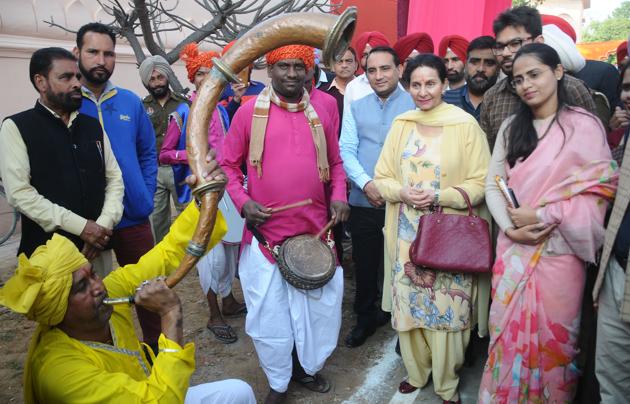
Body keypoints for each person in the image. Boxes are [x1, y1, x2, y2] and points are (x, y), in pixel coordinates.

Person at [0, 155, 256, 404]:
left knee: (239, 392)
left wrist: (205, 203)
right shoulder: (59, 372)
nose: (99, 287)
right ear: (58, 312)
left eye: (93, 274)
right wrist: (170, 316)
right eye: (82, 287)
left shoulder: (110, 294)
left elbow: (164, 256)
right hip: (159, 397)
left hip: (155, 390)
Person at [479, 43, 618, 403]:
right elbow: (493, 185)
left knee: (556, 345)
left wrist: (542, 215)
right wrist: (510, 229)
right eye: (518, 79)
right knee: (506, 337)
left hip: (561, 256)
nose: (526, 85)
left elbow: (599, 196)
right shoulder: (511, 127)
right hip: (514, 252)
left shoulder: (583, 127)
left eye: (535, 74)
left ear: (558, 72)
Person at [221, 44, 349, 403]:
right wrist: (244, 203)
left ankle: (305, 368)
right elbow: (229, 166)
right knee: (270, 318)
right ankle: (278, 382)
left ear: (310, 71)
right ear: (269, 70)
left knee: (316, 312)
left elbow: (336, 162)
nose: (291, 74)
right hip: (265, 238)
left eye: (299, 66)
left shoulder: (325, 107)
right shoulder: (247, 113)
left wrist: (338, 194)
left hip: (315, 233)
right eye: (283, 67)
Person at [373, 53, 491, 404]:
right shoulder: (402, 124)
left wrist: (442, 196)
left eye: (431, 84)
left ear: (444, 84)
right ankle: (416, 372)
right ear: (407, 86)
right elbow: (382, 177)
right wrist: (402, 192)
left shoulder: (464, 125)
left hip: (448, 237)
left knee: (448, 310)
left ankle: (446, 382)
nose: (423, 92)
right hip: (406, 233)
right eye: (416, 84)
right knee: (410, 307)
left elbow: (482, 182)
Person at [0, 47, 124, 277]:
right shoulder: (17, 127)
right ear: (41, 82)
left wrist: (101, 228)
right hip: (48, 256)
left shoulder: (91, 125)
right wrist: (83, 228)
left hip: (98, 251)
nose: (76, 83)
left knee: (104, 310)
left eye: (77, 76)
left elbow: (114, 178)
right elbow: (19, 194)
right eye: (65, 77)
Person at [74, 22, 160, 351]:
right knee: (93, 300)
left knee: (148, 290)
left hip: (134, 217)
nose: (101, 60)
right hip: (88, 224)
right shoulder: (67, 101)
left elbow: (147, 152)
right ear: (77, 53)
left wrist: (145, 192)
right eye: (93, 51)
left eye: (108, 53)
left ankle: (154, 351)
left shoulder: (129, 102)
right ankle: (109, 357)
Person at [160, 42, 246, 345]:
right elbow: (166, 153)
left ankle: (229, 301)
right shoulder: (183, 111)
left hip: (228, 187)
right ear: (193, 78)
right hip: (203, 192)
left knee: (232, 251)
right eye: (202, 74)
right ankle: (214, 315)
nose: (208, 79)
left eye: (213, 74)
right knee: (211, 257)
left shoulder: (221, 110)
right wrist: (195, 156)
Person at [339, 46, 415, 348]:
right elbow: (346, 148)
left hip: (404, 201)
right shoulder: (357, 106)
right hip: (364, 199)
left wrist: (392, 190)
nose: (378, 75)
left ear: (399, 69)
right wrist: (366, 183)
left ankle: (404, 323)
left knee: (404, 262)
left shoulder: (415, 105)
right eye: (371, 70)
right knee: (365, 262)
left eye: (385, 68)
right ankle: (365, 317)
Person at [480, 6, 596, 148]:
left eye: (515, 44)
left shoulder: (572, 88)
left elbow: (593, 150)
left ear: (539, 42)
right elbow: (491, 156)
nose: (505, 53)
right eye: (500, 46)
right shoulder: (492, 97)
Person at [593, 61, 630, 403]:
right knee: (611, 374)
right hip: (616, 269)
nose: (628, 97)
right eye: (627, 88)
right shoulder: (624, 138)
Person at [140, 55, 189, 244]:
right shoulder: (141, 106)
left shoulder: (183, 104)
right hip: (154, 170)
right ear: (146, 82)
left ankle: (189, 257)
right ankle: (161, 257)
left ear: (167, 77)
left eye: (160, 77)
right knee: (156, 218)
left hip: (180, 169)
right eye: (152, 79)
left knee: (186, 213)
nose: (157, 82)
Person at [443, 36, 499, 121]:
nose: (480, 69)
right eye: (474, 62)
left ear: (498, 68)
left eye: (489, 63)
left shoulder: (506, 103)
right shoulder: (445, 100)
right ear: (465, 64)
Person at [344, 31, 391, 111]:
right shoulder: (353, 87)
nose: (370, 59)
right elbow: (348, 122)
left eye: (374, 53)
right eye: (365, 55)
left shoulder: (396, 85)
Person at [321, 47, 358, 131]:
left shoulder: (366, 91)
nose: (344, 65)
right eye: (339, 61)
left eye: (348, 61)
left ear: (356, 65)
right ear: (333, 66)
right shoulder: (323, 94)